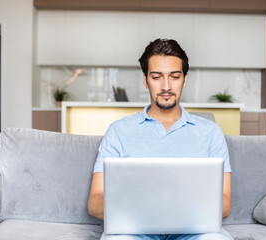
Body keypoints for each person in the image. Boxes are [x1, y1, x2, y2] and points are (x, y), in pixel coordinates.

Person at [88, 38, 233, 240]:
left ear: (185, 79)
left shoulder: (211, 133)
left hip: (194, 232)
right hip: (134, 231)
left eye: (174, 76)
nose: (166, 86)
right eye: (157, 77)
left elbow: (225, 204)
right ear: (146, 80)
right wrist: (143, 209)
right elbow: (95, 203)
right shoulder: (118, 131)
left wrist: (171, 210)